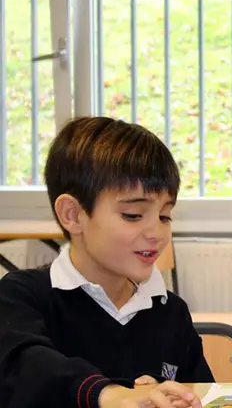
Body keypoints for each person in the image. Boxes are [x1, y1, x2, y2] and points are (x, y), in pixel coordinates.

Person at [0, 117, 212, 408]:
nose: (156, 233)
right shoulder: (21, 296)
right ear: (73, 215)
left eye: (165, 216)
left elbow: (202, 392)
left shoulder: (170, 313)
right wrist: (111, 394)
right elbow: (27, 368)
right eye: (133, 215)